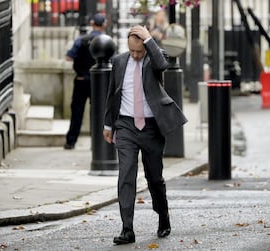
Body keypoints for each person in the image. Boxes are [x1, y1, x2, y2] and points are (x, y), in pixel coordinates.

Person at [103, 25, 187, 245]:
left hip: (151, 128)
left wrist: (149, 40)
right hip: (126, 125)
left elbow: (163, 64)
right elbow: (112, 92)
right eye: (132, 51)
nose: (135, 55)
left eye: (139, 51)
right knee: (126, 175)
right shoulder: (120, 61)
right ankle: (127, 229)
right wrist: (108, 125)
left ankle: (163, 215)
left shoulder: (154, 59)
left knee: (154, 178)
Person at [64, 13, 106, 149]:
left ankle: (71, 142)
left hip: (81, 79)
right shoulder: (106, 41)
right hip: (99, 82)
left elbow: (69, 57)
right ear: (104, 25)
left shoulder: (81, 40)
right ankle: (98, 142)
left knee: (77, 111)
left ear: (92, 23)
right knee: (98, 113)